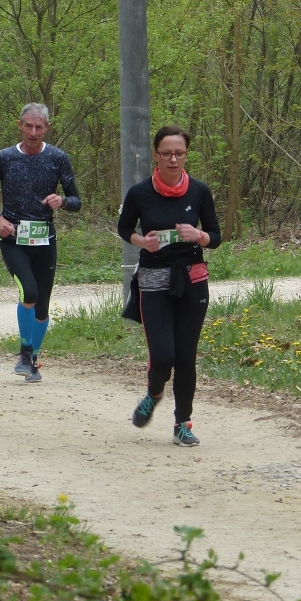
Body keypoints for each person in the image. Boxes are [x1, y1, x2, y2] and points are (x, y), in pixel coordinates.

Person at [118, 125, 221, 447]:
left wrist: (199, 236)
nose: (173, 160)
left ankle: (182, 423)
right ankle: (153, 392)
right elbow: (124, 228)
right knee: (163, 356)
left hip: (192, 279)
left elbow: (216, 236)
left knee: (186, 356)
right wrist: (142, 242)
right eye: (167, 154)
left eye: (179, 153)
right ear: (156, 155)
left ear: (186, 154)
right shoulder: (140, 193)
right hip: (153, 279)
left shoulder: (199, 191)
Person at [0, 103, 81, 382]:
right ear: (20, 125)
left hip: (45, 239)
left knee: (42, 306)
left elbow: (76, 200)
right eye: (28, 126)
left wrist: (62, 201)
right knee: (29, 293)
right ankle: (24, 353)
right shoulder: (5, 157)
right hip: (14, 238)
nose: (33, 132)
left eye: (39, 127)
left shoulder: (58, 158)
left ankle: (32, 359)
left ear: (47, 128)